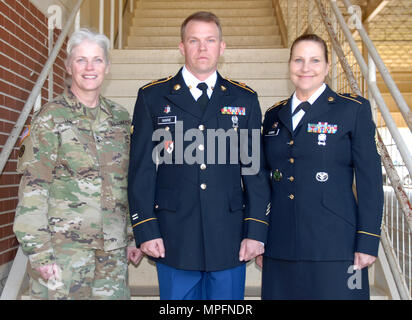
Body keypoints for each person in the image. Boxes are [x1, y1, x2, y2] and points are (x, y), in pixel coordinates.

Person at [128, 11, 271, 300]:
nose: (202, 48)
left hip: (229, 235)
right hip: (173, 236)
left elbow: (254, 171)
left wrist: (256, 230)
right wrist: (145, 228)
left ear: (222, 46)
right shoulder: (153, 97)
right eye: (194, 40)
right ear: (182, 47)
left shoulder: (244, 99)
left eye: (210, 40)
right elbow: (142, 169)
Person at [13, 28, 142, 300]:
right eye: (81, 59)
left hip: (112, 254)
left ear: (107, 66)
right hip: (63, 253)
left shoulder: (120, 118)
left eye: (97, 59)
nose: (89, 67)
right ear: (68, 66)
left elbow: (126, 182)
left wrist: (132, 236)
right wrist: (39, 252)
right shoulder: (49, 118)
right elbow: (33, 188)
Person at [258, 33, 384, 300]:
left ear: (327, 67)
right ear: (290, 65)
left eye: (315, 60)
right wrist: (259, 236)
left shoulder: (352, 110)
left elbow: (369, 180)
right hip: (280, 246)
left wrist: (368, 240)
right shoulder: (273, 115)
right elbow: (263, 181)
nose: (306, 68)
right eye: (298, 60)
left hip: (337, 247)